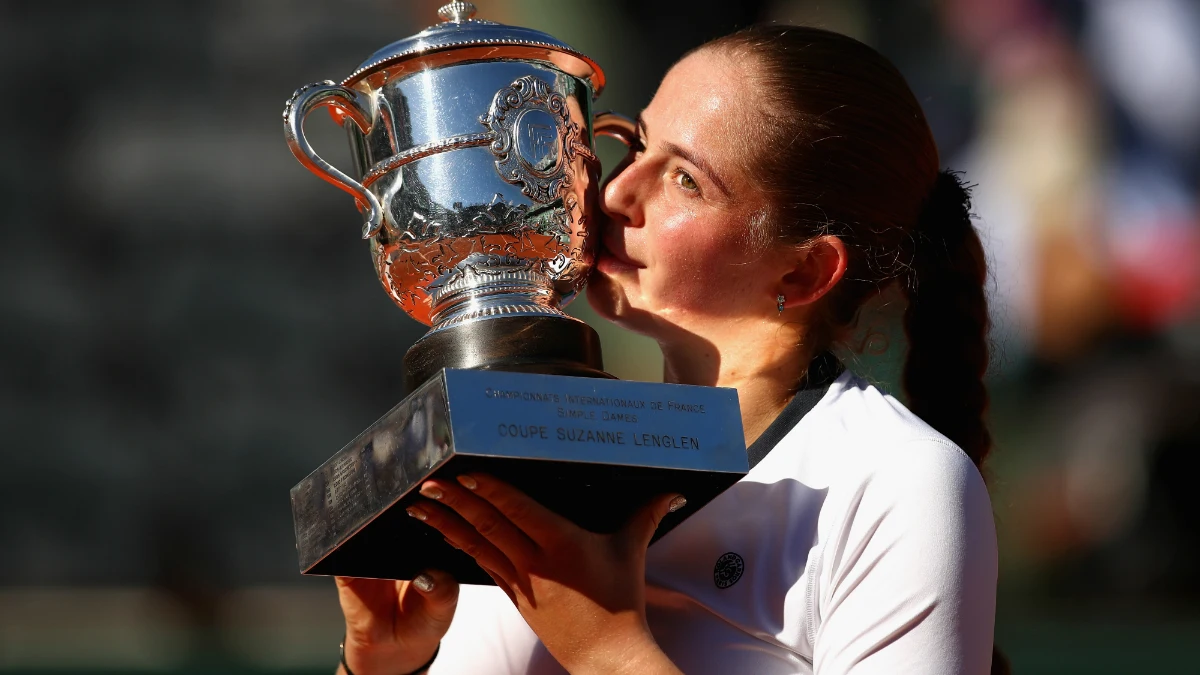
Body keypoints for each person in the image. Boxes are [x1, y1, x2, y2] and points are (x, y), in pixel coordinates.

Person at [334, 25, 1000, 675]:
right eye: (637, 144)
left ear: (803, 272)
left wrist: (609, 650)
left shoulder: (895, 478)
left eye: (686, 179)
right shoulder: (536, 451)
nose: (617, 192)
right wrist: (382, 667)